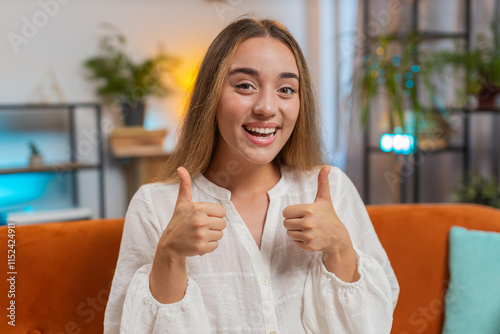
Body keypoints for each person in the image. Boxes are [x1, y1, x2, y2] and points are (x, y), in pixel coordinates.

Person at [104, 17, 399, 334]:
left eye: (286, 89)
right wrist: (170, 256)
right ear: (211, 95)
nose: (267, 107)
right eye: (245, 85)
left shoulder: (332, 189)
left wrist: (340, 248)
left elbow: (374, 324)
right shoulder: (154, 205)